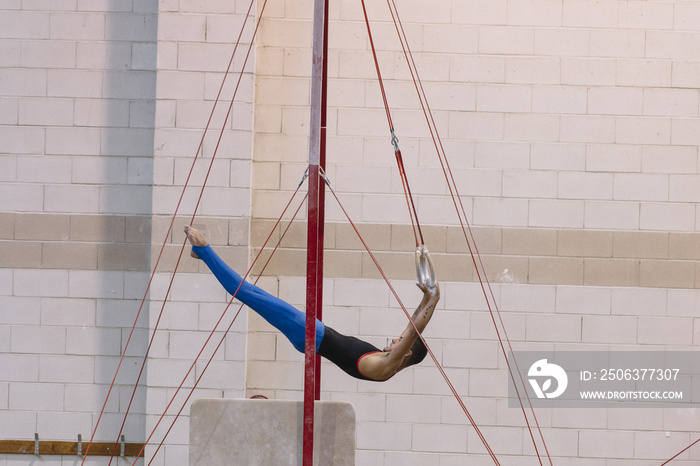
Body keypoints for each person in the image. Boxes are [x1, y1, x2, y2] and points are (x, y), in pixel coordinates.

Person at [185, 225, 440, 382]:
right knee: (252, 294)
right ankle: (202, 254)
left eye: (400, 342)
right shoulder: (389, 360)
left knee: (249, 293)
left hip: (310, 334)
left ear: (406, 352)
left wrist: (435, 298)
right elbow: (411, 329)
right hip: (312, 335)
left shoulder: (387, 367)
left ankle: (204, 250)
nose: (397, 339)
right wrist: (427, 298)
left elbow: (414, 332)